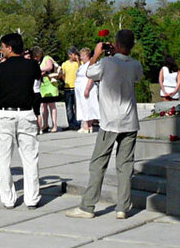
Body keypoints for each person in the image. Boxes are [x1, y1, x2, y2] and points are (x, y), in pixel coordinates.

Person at [67, 29, 145, 220]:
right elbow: (138, 78)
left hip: (109, 121)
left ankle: (88, 206)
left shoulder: (107, 63)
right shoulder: (135, 64)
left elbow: (89, 72)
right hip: (129, 121)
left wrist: (96, 54)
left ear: (116, 44)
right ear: (132, 46)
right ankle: (123, 206)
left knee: (98, 164)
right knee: (125, 165)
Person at [0, 33, 43, 209]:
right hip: (26, 113)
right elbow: (36, 85)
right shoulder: (32, 65)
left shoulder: (0, 69)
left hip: (6, 113)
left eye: (3, 47)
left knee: (3, 159)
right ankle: (32, 198)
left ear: (9, 48)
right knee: (30, 158)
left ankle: (8, 199)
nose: (2, 50)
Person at [74, 47, 99, 132]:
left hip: (86, 88)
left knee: (87, 106)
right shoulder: (83, 65)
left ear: (87, 56)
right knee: (83, 106)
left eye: (83, 56)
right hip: (80, 89)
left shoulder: (90, 64)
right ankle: (87, 125)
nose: (81, 57)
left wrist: (87, 89)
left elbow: (91, 77)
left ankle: (86, 125)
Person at [38, 54, 61, 133]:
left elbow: (50, 67)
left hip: (51, 85)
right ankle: (45, 124)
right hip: (43, 86)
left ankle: (54, 125)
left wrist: (39, 69)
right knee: (43, 106)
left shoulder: (46, 58)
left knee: (52, 105)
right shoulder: (38, 61)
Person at [61, 48, 81, 130]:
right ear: (70, 55)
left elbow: (81, 70)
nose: (76, 56)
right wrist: (64, 80)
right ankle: (71, 123)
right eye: (74, 54)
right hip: (68, 88)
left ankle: (78, 123)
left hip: (77, 88)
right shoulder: (65, 64)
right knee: (69, 107)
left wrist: (78, 60)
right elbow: (62, 73)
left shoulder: (79, 63)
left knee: (77, 107)